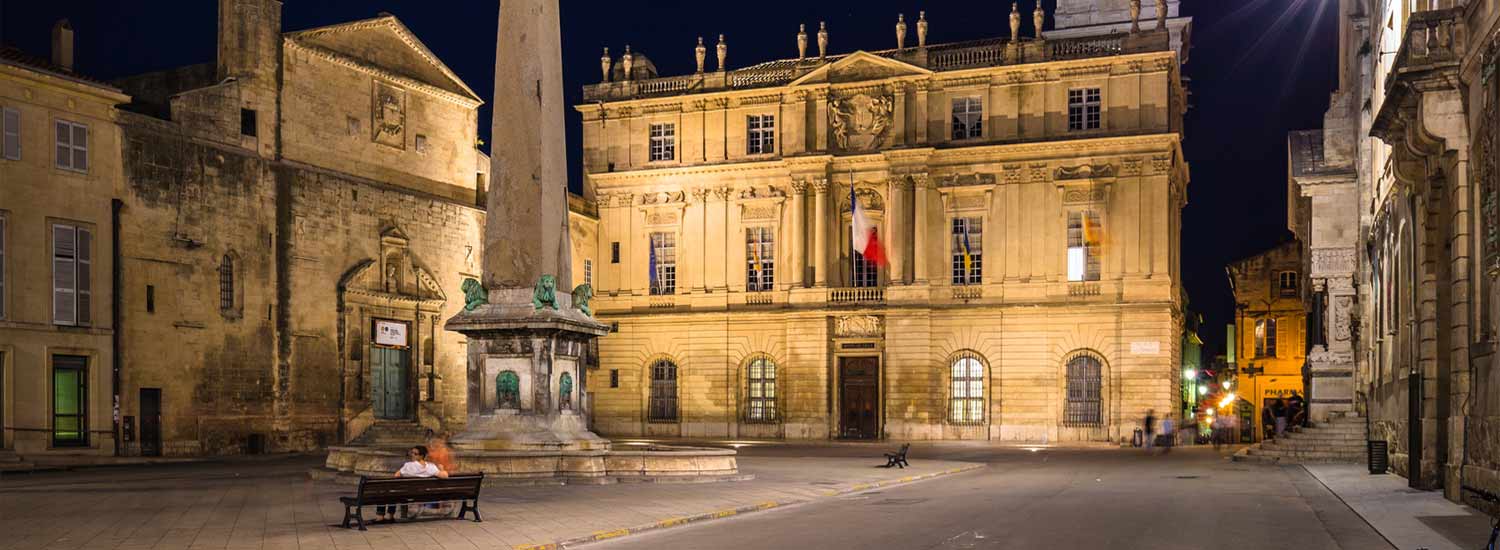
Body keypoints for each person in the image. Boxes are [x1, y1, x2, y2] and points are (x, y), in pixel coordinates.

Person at [375, 445, 448, 524]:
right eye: (412, 453)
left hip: (406, 494)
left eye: (415, 453)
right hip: (424, 494)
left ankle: (381, 517)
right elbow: (445, 475)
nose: (412, 455)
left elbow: (396, 475)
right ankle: (390, 517)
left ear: (421, 456)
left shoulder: (408, 465)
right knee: (391, 493)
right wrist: (442, 469)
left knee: (385, 492)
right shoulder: (431, 467)